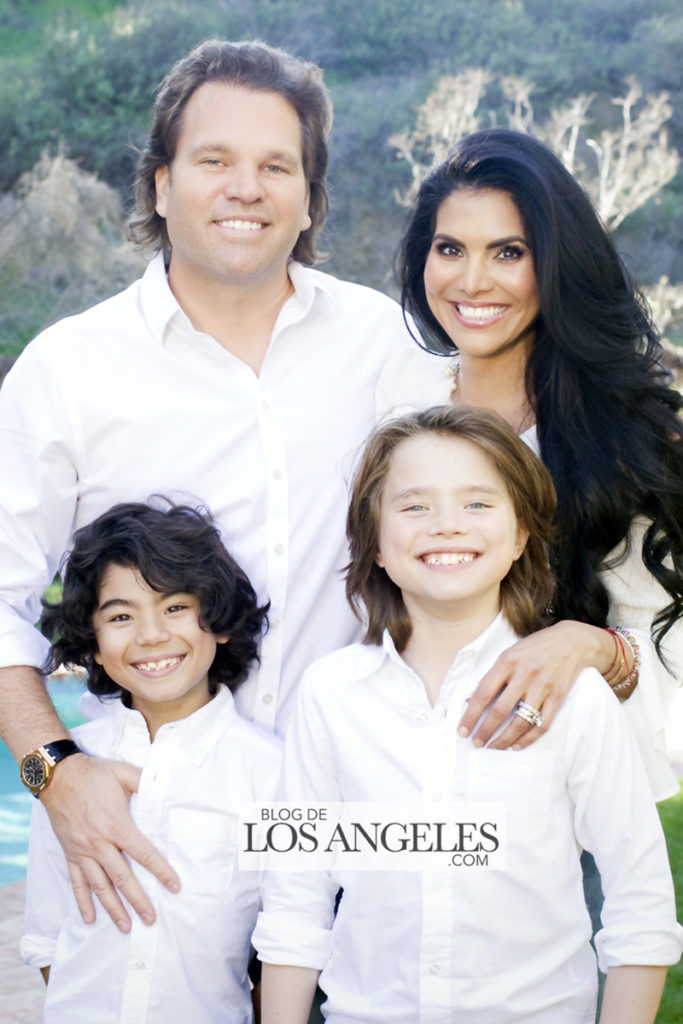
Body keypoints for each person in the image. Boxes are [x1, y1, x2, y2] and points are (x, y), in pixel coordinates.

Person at [0, 39, 415, 930]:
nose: (246, 188)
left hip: (348, 831)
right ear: (160, 184)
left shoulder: (384, 344)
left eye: (277, 166)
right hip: (146, 845)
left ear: (310, 197)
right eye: (214, 160)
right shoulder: (66, 370)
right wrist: (53, 773)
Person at [253, 405, 683, 1024]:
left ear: (521, 536)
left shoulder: (578, 698)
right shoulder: (330, 694)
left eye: (478, 503)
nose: (447, 525)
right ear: (375, 543)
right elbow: (296, 900)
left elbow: (640, 905)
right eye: (414, 506)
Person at [378, 127, 683, 800]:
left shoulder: (622, 436)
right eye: (449, 249)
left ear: (554, 262)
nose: (471, 281)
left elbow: (665, 637)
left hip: (565, 796)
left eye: (508, 252)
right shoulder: (397, 394)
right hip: (401, 777)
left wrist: (589, 645)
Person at [21, 500, 278, 1023]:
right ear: (94, 644)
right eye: (120, 616)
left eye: (175, 607)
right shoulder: (67, 769)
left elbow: (287, 937)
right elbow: (46, 937)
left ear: (220, 621)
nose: (151, 635)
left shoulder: (272, 772)